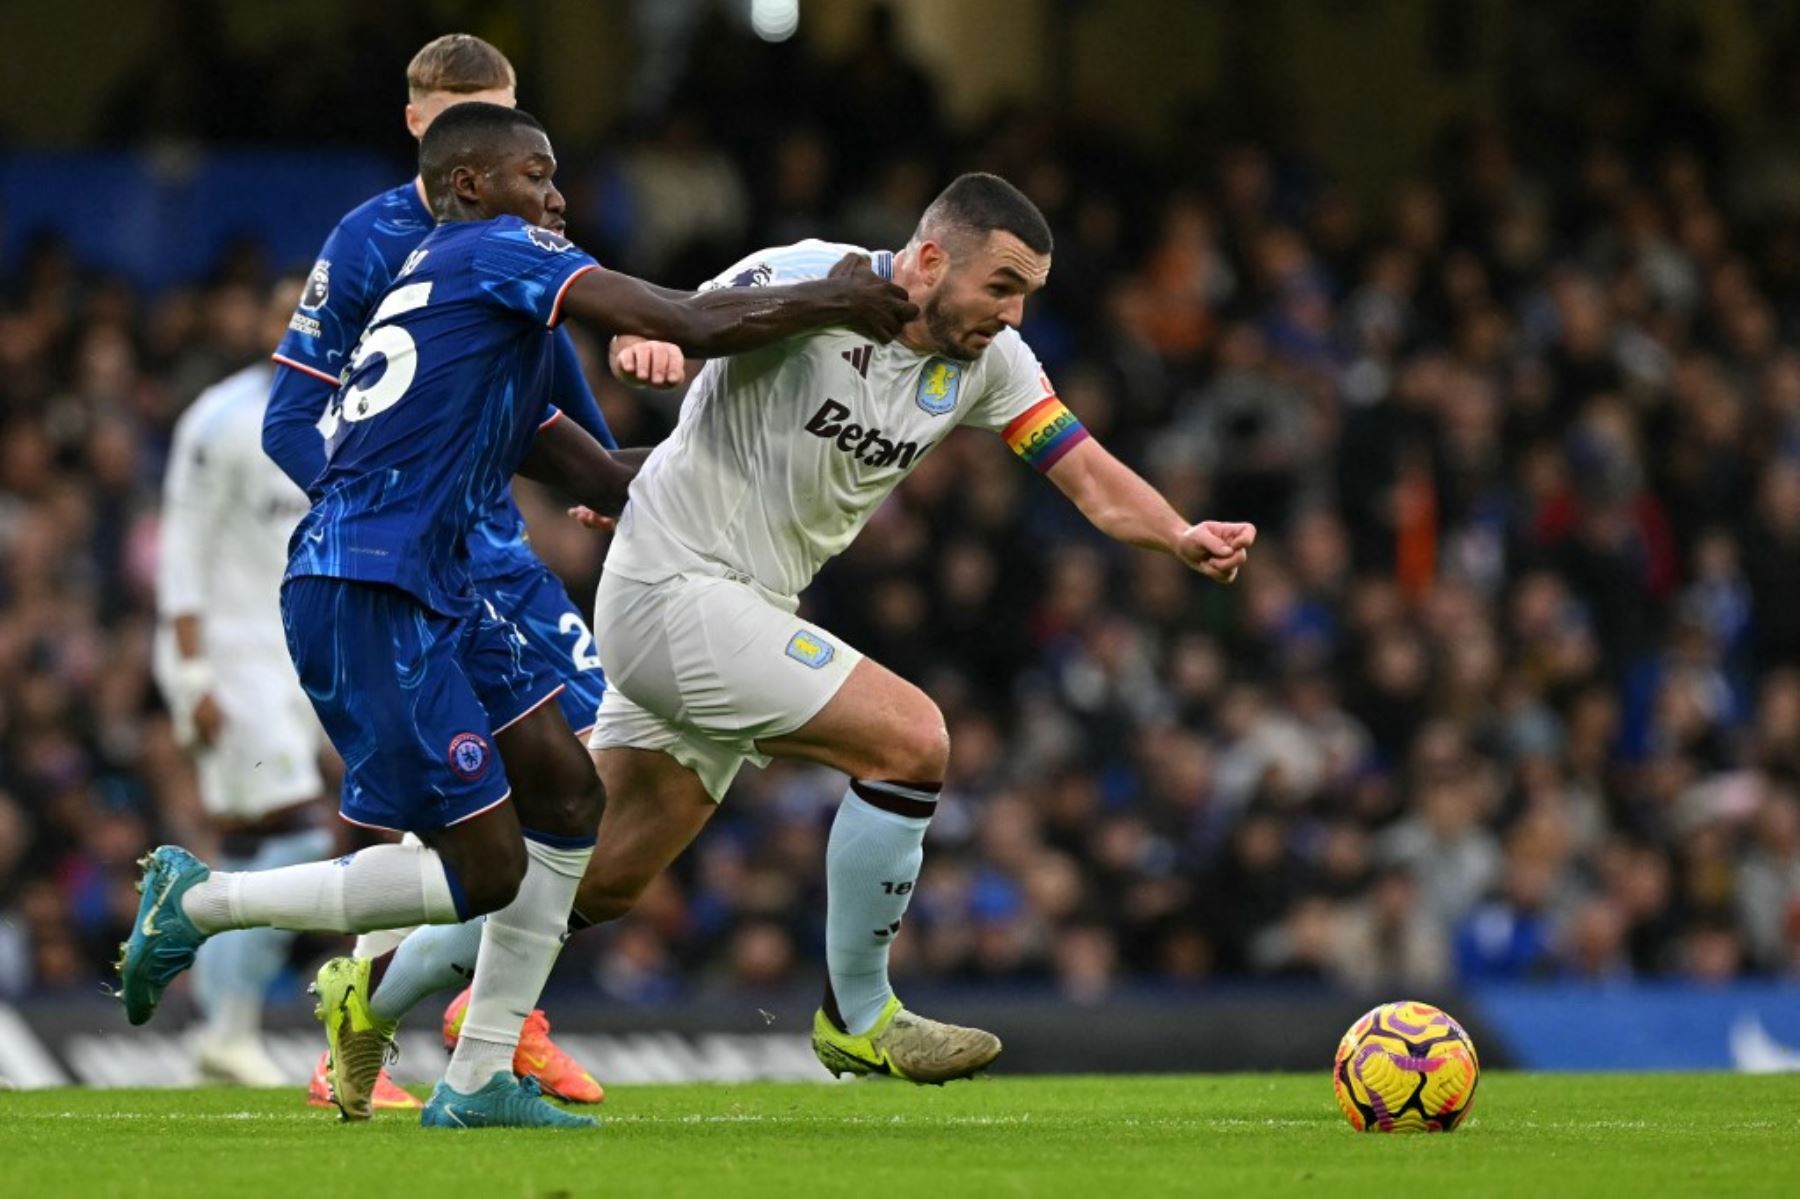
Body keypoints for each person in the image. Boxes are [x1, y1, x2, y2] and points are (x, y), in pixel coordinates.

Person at [116, 101, 918, 1130]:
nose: (557, 196)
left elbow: (598, 470)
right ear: (467, 189)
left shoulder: (477, 324)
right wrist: (839, 296)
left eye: (557, 178)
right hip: (370, 581)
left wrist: (773, 476)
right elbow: (686, 320)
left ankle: (480, 1074)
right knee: (485, 866)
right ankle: (199, 902)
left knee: (569, 795)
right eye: (535, 176)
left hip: (440, 581)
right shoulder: (494, 253)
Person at [583, 173, 1253, 1081]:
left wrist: (1178, 532)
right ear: (931, 259)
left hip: (742, 608)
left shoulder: (988, 364)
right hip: (676, 586)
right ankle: (859, 1012)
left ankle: (373, 987)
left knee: (595, 872)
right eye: (1002, 286)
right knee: (911, 738)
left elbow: (1087, 474)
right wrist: (642, 344)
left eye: (1027, 295)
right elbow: (670, 316)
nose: (1013, 315)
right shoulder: (811, 276)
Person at [263, 33, 617, 1111]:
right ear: (425, 129)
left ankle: (458, 1006)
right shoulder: (370, 238)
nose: (524, 159)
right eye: (477, 118)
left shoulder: (522, 231)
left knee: (584, 754)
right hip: (403, 549)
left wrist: (598, 469)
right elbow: (292, 416)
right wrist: (386, 514)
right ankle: (431, 1013)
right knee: (444, 797)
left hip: (492, 545)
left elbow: (545, 377)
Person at [154, 276, 333, 1087]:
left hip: (301, 654)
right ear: (260, 323)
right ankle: (227, 1018)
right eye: (280, 312)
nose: (294, 328)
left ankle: (222, 1027)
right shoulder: (221, 417)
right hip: (228, 653)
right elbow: (182, 547)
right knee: (297, 831)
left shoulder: (343, 416)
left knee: (253, 842)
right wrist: (192, 671)